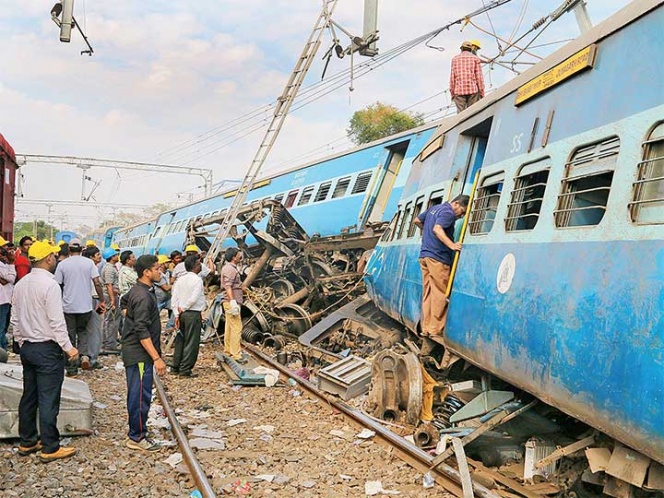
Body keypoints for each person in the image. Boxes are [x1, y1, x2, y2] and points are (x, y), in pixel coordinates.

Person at [12, 240, 79, 462]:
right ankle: (50, 447)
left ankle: (27, 441)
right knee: (49, 398)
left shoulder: (22, 283)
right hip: (47, 349)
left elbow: (15, 318)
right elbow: (56, 322)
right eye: (54, 256)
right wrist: (68, 348)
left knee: (29, 396)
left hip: (28, 348)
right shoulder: (50, 286)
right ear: (49, 258)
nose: (56, 260)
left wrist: (22, 342)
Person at [120, 255, 166, 452]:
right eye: (157, 269)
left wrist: (128, 316)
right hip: (139, 354)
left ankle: (139, 431)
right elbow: (141, 330)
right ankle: (136, 437)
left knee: (141, 393)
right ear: (146, 272)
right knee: (140, 396)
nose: (160, 272)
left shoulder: (141, 290)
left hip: (138, 352)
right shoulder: (142, 296)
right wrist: (157, 358)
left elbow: (123, 302)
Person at [413, 195, 469, 337]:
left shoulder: (435, 208)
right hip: (438, 257)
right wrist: (452, 245)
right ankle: (435, 329)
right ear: (456, 203)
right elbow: (438, 229)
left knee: (428, 292)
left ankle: (426, 327)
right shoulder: (448, 212)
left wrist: (428, 236)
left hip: (424, 255)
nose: (461, 216)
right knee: (439, 293)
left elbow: (417, 220)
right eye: (462, 211)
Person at [54, 238, 105, 376]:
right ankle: (84, 356)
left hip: (68, 306)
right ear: (82, 249)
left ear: (69, 250)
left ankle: (71, 366)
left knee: (70, 335)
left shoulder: (63, 264)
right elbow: (97, 282)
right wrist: (101, 300)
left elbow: (57, 285)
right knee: (83, 332)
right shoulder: (89, 263)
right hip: (85, 306)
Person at [171, 255, 205, 377]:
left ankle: (175, 366)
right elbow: (193, 298)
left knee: (180, 340)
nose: (201, 265)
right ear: (195, 267)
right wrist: (183, 308)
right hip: (192, 313)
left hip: (181, 314)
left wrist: (176, 314)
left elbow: (174, 297)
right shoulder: (197, 280)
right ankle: (185, 369)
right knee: (192, 341)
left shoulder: (180, 280)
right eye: (199, 263)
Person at [81, 246, 104, 369]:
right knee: (95, 330)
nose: (100, 256)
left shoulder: (80, 267)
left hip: (82, 301)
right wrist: (102, 300)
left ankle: (83, 355)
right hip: (93, 300)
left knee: (82, 330)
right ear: (90, 257)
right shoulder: (91, 267)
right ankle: (93, 359)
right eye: (97, 254)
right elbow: (97, 284)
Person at [221, 248, 244, 362]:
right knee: (237, 327)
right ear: (234, 257)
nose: (240, 256)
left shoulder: (229, 268)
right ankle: (236, 354)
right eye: (238, 254)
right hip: (231, 302)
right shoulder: (231, 270)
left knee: (229, 327)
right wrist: (233, 301)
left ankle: (228, 350)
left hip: (229, 301)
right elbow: (228, 286)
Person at [450, 40, 484, 113]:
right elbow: (479, 78)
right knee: (472, 113)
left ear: (461, 49)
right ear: (471, 49)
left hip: (458, 91)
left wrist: (452, 93)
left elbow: (452, 77)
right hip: (473, 90)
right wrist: (481, 92)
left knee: (460, 115)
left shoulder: (454, 59)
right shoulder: (475, 58)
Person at [100, 247, 121, 352]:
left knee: (109, 319)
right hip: (110, 296)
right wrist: (113, 299)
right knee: (111, 320)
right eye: (116, 254)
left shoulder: (110, 267)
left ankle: (107, 342)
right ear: (112, 257)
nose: (118, 256)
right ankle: (109, 344)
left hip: (110, 295)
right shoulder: (109, 269)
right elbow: (109, 285)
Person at [0, 237, 16, 351]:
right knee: (1, 327)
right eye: (4, 247)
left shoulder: (3, 263)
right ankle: (2, 350)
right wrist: (11, 263)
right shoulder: (3, 264)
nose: (7, 249)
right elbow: (10, 278)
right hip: (2, 299)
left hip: (5, 299)